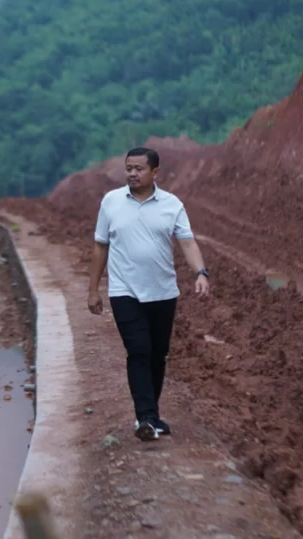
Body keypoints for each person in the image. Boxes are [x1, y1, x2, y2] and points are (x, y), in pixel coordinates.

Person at [87, 146, 211, 442]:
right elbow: (100, 246)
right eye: (129, 168)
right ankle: (144, 417)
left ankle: (151, 416)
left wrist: (201, 273)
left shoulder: (171, 204)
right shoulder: (111, 202)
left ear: (155, 172)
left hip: (163, 293)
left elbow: (188, 243)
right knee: (139, 351)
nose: (132, 173)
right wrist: (93, 289)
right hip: (124, 291)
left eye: (139, 169)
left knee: (157, 355)